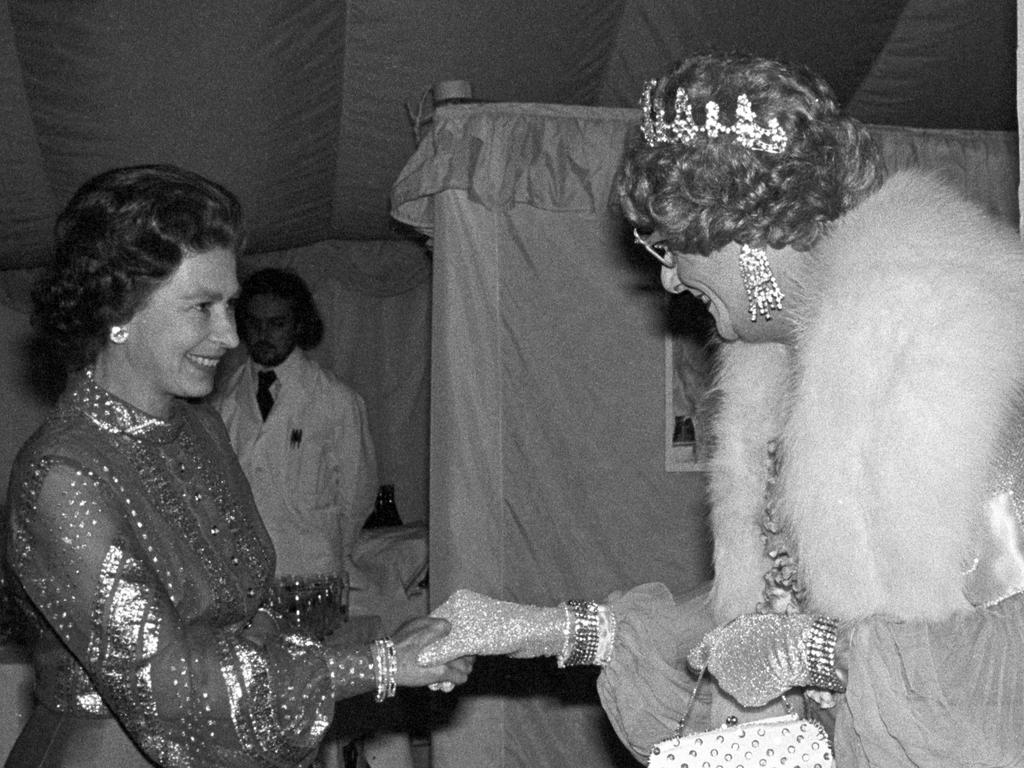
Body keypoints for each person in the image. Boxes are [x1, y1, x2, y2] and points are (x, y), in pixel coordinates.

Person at [416, 53, 1024, 766]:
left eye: (672, 248)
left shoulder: (950, 338)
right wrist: (549, 631)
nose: (670, 277)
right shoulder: (785, 370)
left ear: (751, 233)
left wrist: (822, 653)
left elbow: (1000, 646)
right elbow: (755, 621)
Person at [1, 164, 471, 768]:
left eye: (231, 305)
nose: (229, 335)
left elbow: (249, 612)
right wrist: (377, 665)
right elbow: (168, 683)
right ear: (116, 310)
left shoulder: (199, 426)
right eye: (202, 307)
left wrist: (387, 650)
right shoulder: (64, 475)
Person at [211, 268, 418, 768]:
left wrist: (323, 554)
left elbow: (358, 493)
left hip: (313, 583)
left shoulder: (335, 401)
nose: (264, 334)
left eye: (277, 323)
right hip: (249, 585)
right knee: (262, 709)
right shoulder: (222, 404)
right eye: (254, 323)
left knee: (324, 709)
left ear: (298, 326)